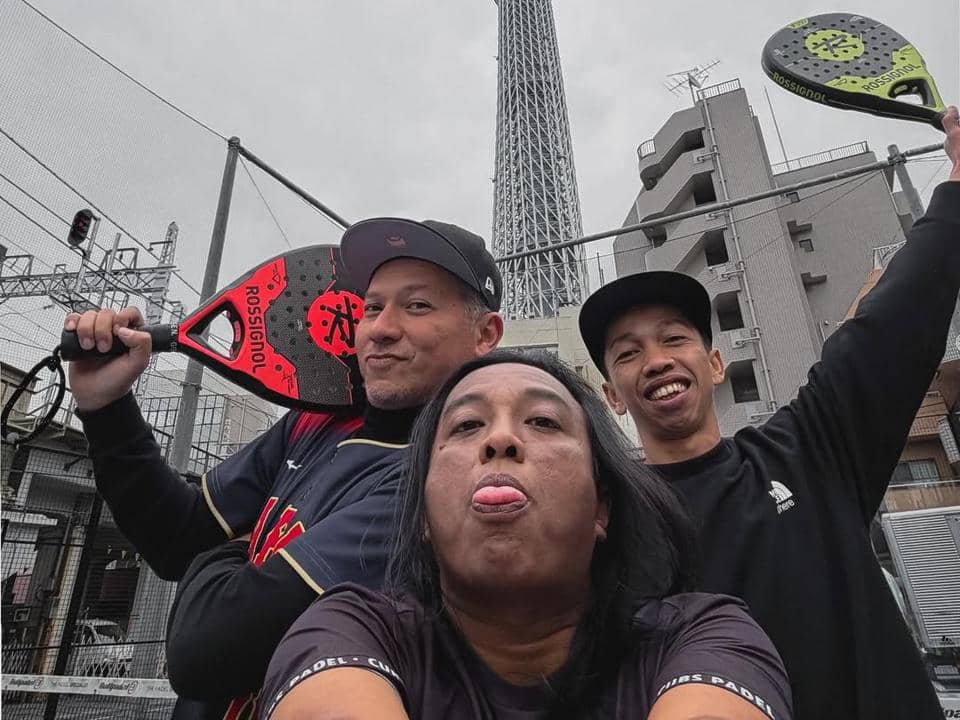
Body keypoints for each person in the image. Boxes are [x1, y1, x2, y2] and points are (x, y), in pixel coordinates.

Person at [577, 106, 960, 720]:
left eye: (675, 340)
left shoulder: (807, 452)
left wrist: (955, 192)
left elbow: (888, 329)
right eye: (628, 353)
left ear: (714, 363)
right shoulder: (601, 523)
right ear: (612, 396)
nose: (655, 360)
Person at [65, 217, 504, 720]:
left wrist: (230, 547)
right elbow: (177, 537)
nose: (382, 328)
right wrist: (107, 407)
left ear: (485, 333)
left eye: (417, 305)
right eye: (372, 307)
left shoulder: (441, 478)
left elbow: (207, 652)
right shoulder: (312, 422)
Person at [260, 350, 793, 720]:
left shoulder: (701, 637)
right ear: (422, 514)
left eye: (542, 421)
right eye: (466, 426)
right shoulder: (350, 628)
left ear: (600, 508)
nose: (500, 439)